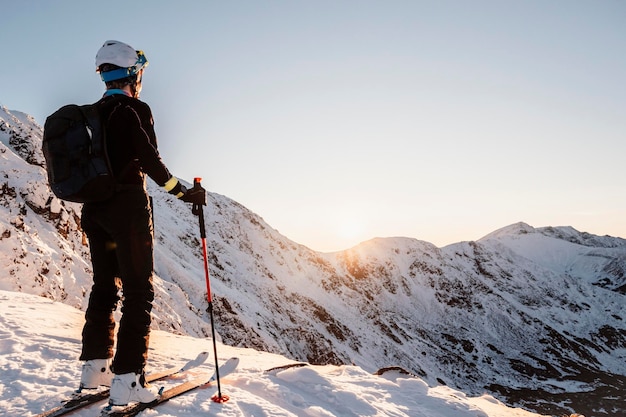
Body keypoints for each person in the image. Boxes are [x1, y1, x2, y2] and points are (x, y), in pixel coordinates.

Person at [78, 40, 206, 406]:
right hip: (127, 208)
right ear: (132, 73)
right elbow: (149, 159)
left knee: (104, 286)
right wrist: (182, 192)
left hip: (94, 209)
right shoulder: (134, 109)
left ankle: (95, 369)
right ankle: (128, 380)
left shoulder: (90, 115)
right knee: (138, 291)